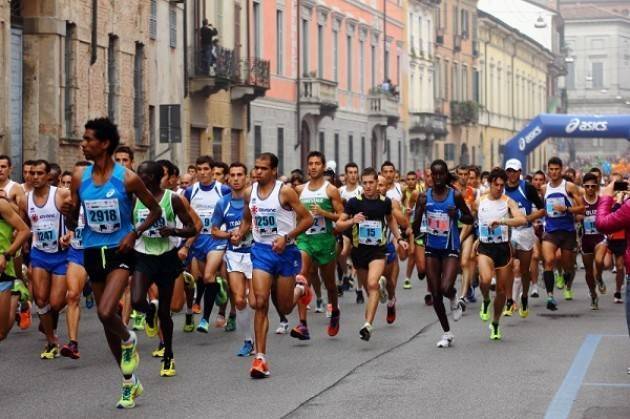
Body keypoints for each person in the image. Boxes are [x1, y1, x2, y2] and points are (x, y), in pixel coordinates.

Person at [66, 117, 162, 409]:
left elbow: (155, 210)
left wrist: (134, 233)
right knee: (107, 323)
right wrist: (67, 212)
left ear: (104, 143)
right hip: (92, 251)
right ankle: (129, 382)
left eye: (88, 139)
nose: (83, 144)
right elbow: (74, 220)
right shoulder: (79, 178)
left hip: (120, 251)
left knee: (108, 311)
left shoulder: (127, 178)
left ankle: (129, 338)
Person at [233, 152, 313, 378]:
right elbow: (248, 219)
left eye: (262, 168)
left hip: (286, 252)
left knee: (286, 307)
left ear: (273, 171)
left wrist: (286, 238)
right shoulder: (250, 193)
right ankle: (260, 359)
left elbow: (307, 219)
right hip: (261, 251)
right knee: (259, 302)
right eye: (256, 167)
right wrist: (240, 233)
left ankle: (301, 289)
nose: (257, 172)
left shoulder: (285, 192)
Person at [130, 160, 197, 377]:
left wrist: (173, 231)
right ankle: (150, 312)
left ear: (158, 177)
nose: (142, 178)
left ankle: (168, 355)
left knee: (167, 312)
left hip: (167, 257)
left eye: (147, 175)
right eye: (139, 174)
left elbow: (192, 228)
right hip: (143, 255)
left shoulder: (173, 199)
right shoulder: (134, 199)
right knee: (137, 300)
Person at [336, 167, 408, 342]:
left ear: (377, 183)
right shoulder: (353, 202)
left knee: (372, 283)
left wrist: (399, 239)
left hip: (378, 250)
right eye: (365, 183)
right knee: (371, 290)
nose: (368, 186)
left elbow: (390, 220)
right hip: (359, 252)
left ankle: (367, 324)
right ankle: (381, 296)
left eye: (371, 183)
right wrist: (353, 220)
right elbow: (338, 225)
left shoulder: (385, 202)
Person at [411, 160, 473, 348]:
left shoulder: (455, 196)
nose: (437, 178)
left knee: (445, 288)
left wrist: (458, 216)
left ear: (446, 175)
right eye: (434, 174)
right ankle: (447, 333)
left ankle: (454, 297)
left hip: (450, 248)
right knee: (435, 291)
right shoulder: (423, 197)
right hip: (431, 247)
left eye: (441, 174)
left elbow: (470, 217)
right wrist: (420, 212)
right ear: (430, 175)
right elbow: (415, 227)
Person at [291, 152, 344, 340]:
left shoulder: (331, 190)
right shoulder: (298, 190)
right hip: (305, 240)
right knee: (302, 276)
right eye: (310, 163)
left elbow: (341, 216)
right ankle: (303, 324)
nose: (313, 167)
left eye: (317, 164)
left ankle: (335, 311)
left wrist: (324, 213)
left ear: (323, 167)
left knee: (329, 284)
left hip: (325, 241)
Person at [474, 168, 526, 340]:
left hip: (503, 249)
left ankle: (495, 322)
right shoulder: (479, 201)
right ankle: (486, 299)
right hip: (485, 247)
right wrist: (475, 238)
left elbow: (521, 220)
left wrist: (503, 221)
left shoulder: (508, 202)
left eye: (502, 185)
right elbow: (474, 221)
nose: (499, 188)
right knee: (486, 280)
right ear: (489, 184)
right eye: (496, 185)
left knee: (503, 291)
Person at [27, 160, 72, 359]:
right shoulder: (25, 198)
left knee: (55, 302)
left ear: (47, 176)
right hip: (39, 254)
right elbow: (21, 222)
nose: (35, 177)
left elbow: (79, 214)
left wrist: (70, 233)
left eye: (39, 173)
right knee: (41, 299)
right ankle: (51, 340)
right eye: (32, 173)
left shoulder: (61, 194)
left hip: (61, 255)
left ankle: (49, 324)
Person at [181, 156, 230, 333]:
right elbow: (186, 217)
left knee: (208, 276)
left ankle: (205, 319)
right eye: (199, 169)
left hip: (216, 239)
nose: (202, 172)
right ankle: (219, 286)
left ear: (211, 171)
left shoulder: (223, 190)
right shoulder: (190, 191)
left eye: (206, 169)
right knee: (198, 279)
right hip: (198, 239)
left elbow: (230, 212)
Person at [210, 162, 255, 357]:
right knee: (238, 299)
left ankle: (259, 338)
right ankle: (248, 340)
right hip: (234, 255)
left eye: (240, 175)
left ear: (246, 178)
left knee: (255, 301)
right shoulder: (223, 203)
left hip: (255, 254)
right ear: (228, 178)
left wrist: (251, 230)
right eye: (233, 175)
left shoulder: (254, 200)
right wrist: (229, 235)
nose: (236, 179)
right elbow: (213, 231)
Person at [541, 157, 584, 311]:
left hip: (567, 231)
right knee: (549, 261)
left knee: (568, 266)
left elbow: (582, 209)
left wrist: (567, 209)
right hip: (551, 231)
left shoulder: (570, 187)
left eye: (556, 169)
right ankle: (550, 297)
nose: (553, 172)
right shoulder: (544, 188)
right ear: (548, 169)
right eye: (551, 169)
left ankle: (565, 277)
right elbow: (543, 208)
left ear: (561, 169)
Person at [504, 159, 545, 317]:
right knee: (509, 266)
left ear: (520, 172)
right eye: (509, 171)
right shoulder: (502, 189)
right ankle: (509, 300)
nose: (511, 174)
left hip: (525, 232)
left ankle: (525, 297)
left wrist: (527, 218)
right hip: (508, 232)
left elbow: (542, 210)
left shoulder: (527, 188)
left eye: (514, 171)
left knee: (524, 270)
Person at [59, 161, 91, 359]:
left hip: (99, 252)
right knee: (72, 295)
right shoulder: (70, 201)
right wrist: (68, 234)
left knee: (108, 304)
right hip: (77, 252)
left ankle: (122, 336)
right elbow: (72, 225)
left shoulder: (100, 196)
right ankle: (73, 343)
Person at [595, 176, 630, 349]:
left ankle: (616, 290)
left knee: (619, 266)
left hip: (622, 244)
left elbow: (602, 223)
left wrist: (606, 196)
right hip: (613, 242)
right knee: (607, 264)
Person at [0, 193, 30, 342]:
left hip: (2, 269)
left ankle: (16, 297)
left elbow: (24, 231)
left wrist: (6, 255)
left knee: (1, 332)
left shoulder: (1, 205)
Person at [579, 173, 606, 310]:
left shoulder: (602, 201)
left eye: (593, 186)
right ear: (583, 187)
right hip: (586, 239)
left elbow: (608, 217)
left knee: (600, 260)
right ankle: (593, 294)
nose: (590, 189)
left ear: (596, 187)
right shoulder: (580, 202)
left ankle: (600, 277)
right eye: (587, 186)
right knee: (589, 272)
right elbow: (575, 217)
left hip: (600, 237)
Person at [338, 163, 363, 302]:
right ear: (346, 174)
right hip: (346, 225)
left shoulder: (362, 190)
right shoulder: (340, 191)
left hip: (360, 227)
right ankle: (346, 274)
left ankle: (359, 290)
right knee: (342, 253)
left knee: (358, 260)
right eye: (350, 172)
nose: (353, 175)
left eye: (355, 172)